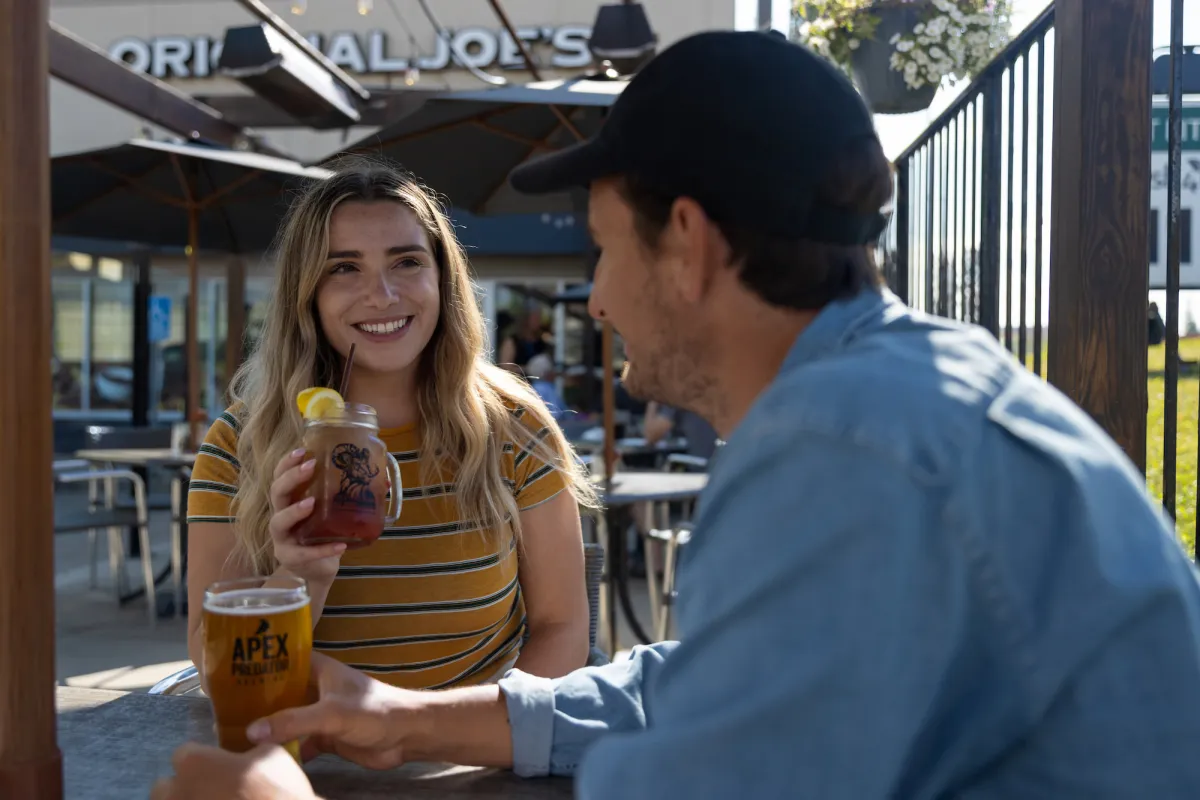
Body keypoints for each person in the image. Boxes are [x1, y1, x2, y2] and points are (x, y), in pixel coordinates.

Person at [156, 31, 1200, 799]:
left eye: (604, 246)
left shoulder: (835, 448)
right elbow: (701, 685)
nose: (598, 297)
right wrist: (416, 716)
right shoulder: (905, 388)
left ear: (688, 243)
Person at [183, 158, 597, 694]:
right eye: (344, 268)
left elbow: (562, 628)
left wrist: (461, 738)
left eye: (406, 262)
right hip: (304, 753)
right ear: (306, 293)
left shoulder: (514, 427)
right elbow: (214, 663)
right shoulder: (240, 444)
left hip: (470, 759)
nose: (381, 294)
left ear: (443, 279)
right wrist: (301, 577)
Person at [642, 400, 718, 461]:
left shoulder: (679, 390)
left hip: (699, 468)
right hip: (723, 463)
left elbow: (651, 436)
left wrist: (652, 399)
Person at [523, 353, 569, 421]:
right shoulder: (545, 388)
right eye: (552, 369)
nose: (555, 372)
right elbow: (556, 414)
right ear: (546, 372)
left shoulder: (534, 387)